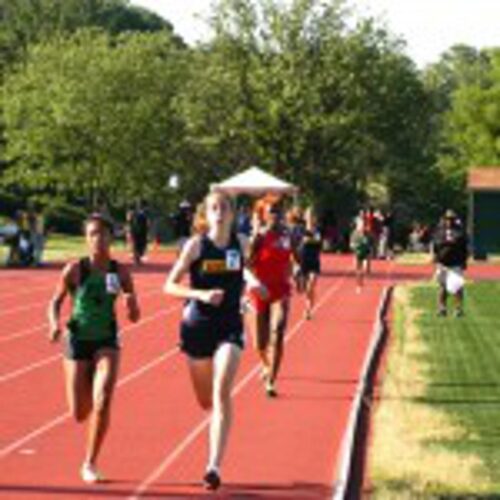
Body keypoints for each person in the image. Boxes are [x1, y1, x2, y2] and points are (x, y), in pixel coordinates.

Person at [164, 192, 266, 491]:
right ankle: (214, 446)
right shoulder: (196, 246)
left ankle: (213, 467)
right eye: (213, 208)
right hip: (197, 327)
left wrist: (252, 281)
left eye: (224, 208)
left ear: (232, 214)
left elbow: (242, 267)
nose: (219, 212)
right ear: (205, 215)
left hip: (229, 326)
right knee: (205, 400)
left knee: (222, 390)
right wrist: (200, 295)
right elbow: (169, 285)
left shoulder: (242, 243)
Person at [48, 213, 140, 483]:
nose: (98, 239)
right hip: (77, 340)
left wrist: (131, 305)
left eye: (103, 233)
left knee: (103, 399)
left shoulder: (120, 272)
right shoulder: (75, 270)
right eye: (92, 234)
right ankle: (86, 385)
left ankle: (90, 462)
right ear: (86, 239)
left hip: (106, 340)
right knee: (79, 413)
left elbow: (134, 317)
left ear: (112, 237)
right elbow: (55, 302)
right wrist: (54, 323)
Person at [248, 201, 296, 398]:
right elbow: (247, 264)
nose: (275, 215)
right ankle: (266, 364)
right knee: (260, 342)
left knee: (278, 330)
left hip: (281, 291)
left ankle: (271, 382)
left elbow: (297, 257)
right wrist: (252, 283)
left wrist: (298, 271)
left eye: (278, 211)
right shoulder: (259, 238)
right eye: (271, 212)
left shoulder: (288, 236)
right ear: (264, 215)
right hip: (260, 291)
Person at [432, 209, 469, 317]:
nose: (449, 221)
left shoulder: (460, 231)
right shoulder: (440, 231)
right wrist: (436, 256)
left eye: (451, 219)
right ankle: (442, 308)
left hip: (456, 262)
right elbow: (436, 244)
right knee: (443, 286)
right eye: (447, 219)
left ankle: (458, 309)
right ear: (444, 219)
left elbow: (464, 246)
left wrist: (464, 261)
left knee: (457, 287)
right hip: (443, 262)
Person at [297, 207, 322, 319]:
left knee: (311, 285)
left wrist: (309, 239)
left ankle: (308, 310)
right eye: (308, 216)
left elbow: (319, 242)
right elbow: (300, 242)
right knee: (304, 289)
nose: (310, 218)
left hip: (314, 261)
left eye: (312, 216)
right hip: (303, 261)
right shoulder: (301, 229)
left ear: (315, 218)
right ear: (305, 217)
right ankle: (308, 304)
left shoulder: (318, 230)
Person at [350, 217, 371, 293]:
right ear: (358, 225)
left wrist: (369, 247)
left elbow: (371, 242)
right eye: (360, 225)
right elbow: (351, 245)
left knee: (365, 269)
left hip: (366, 253)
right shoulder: (354, 234)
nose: (362, 227)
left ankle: (363, 277)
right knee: (358, 271)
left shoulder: (367, 233)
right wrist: (356, 246)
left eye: (363, 225)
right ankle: (359, 284)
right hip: (357, 253)